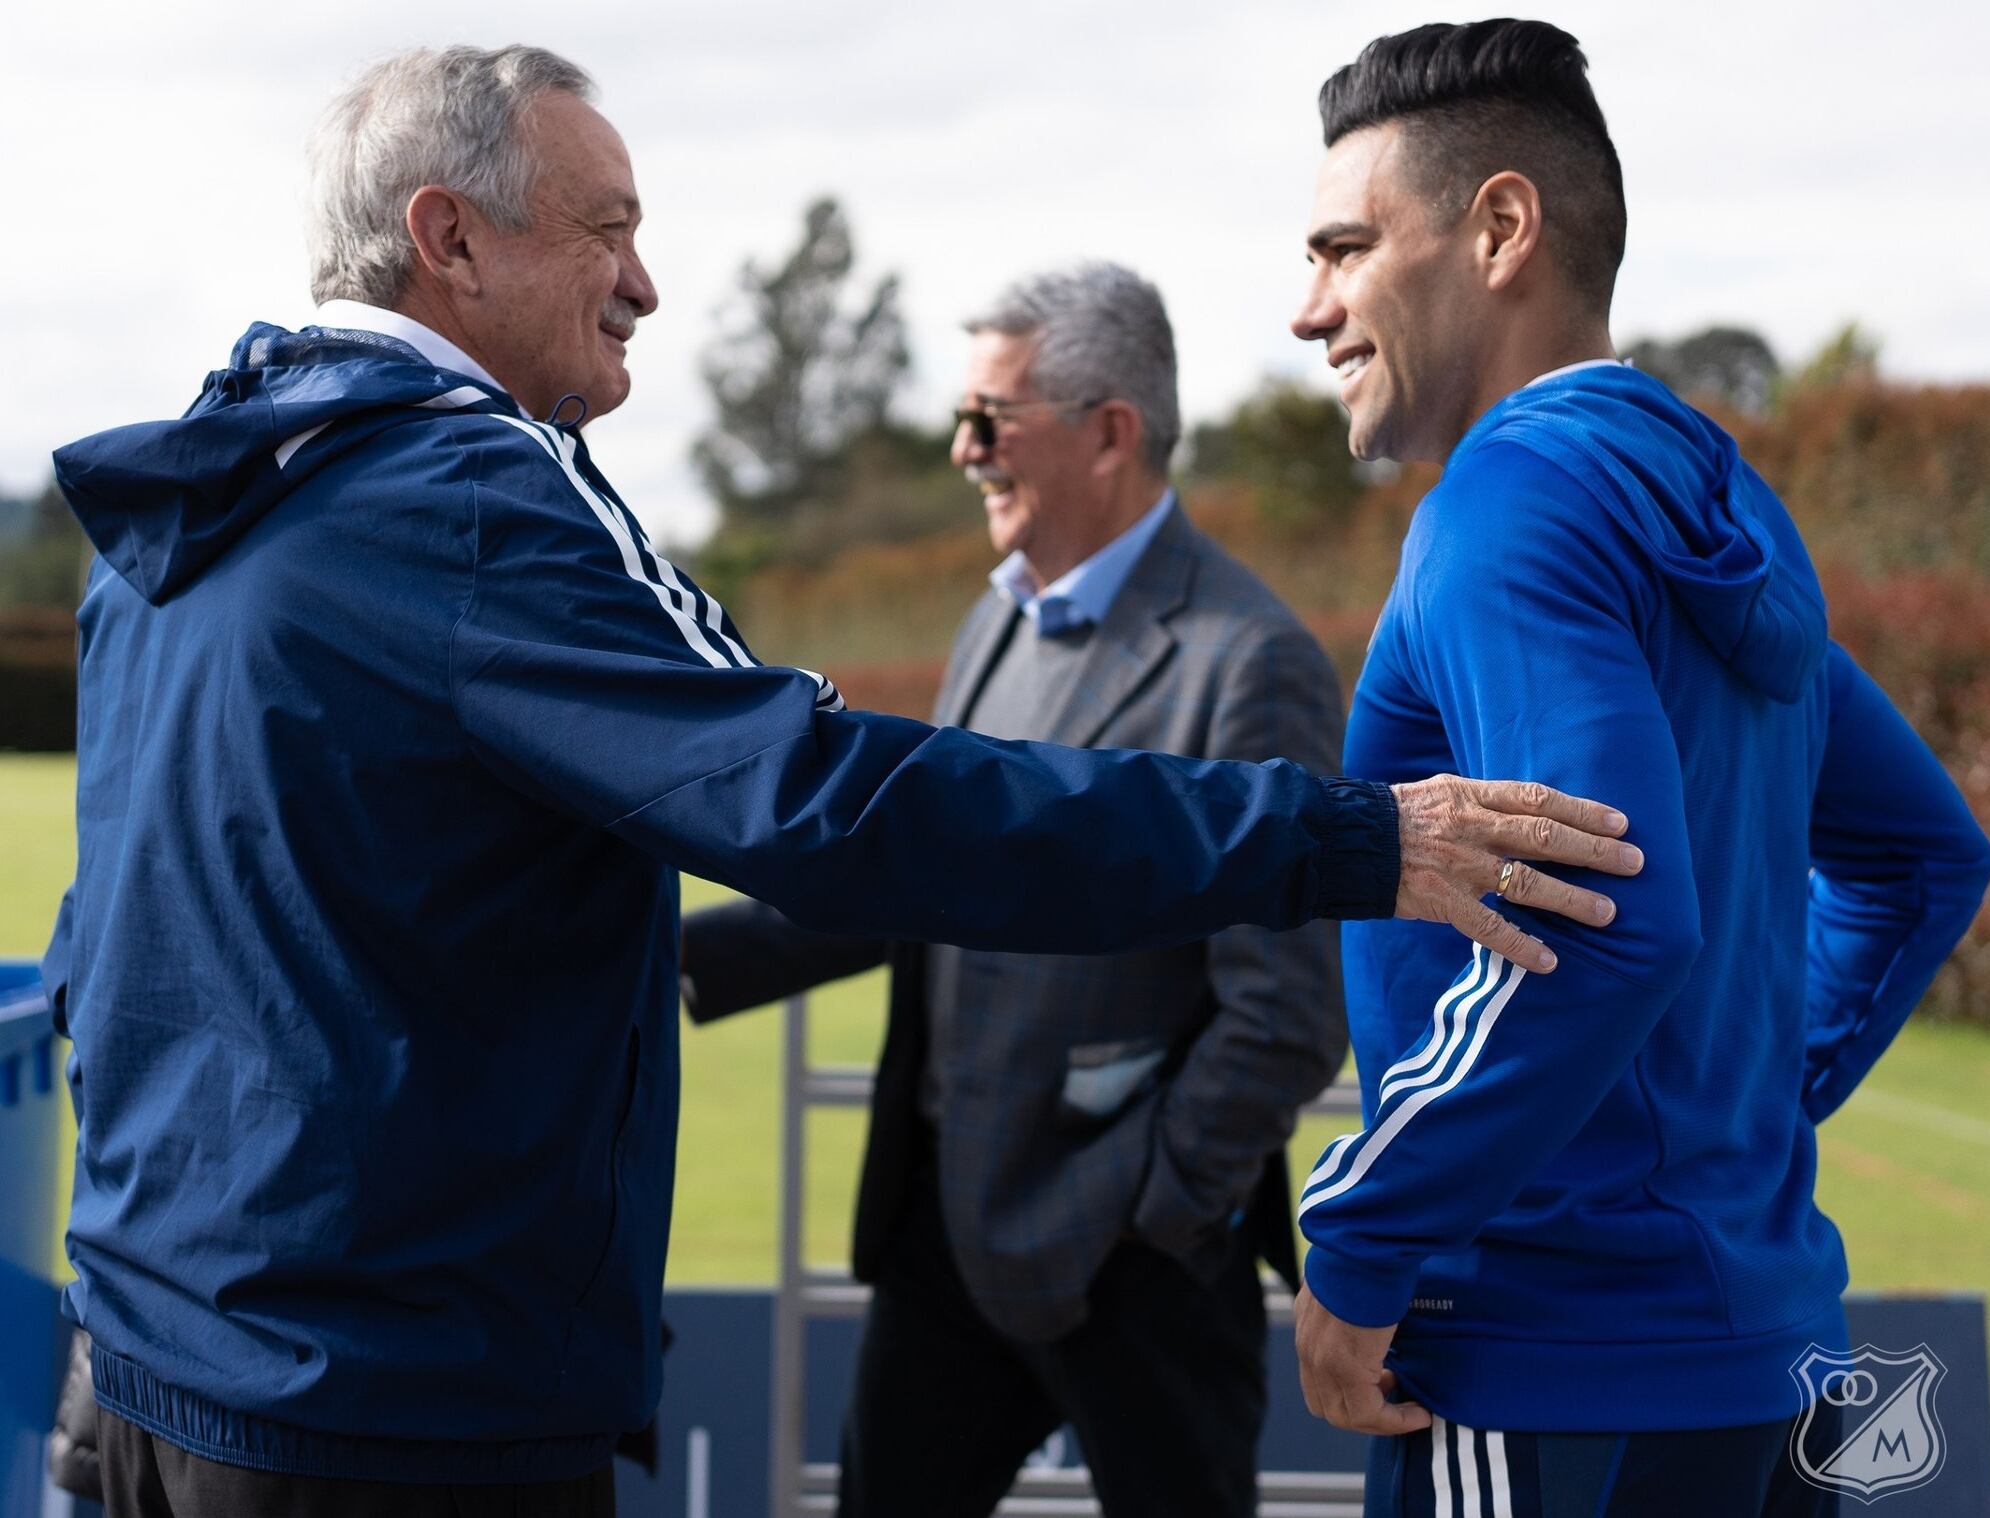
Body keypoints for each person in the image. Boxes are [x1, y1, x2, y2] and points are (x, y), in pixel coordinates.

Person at [46, 44, 1640, 1518]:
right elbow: (821, 798)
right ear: (448, 239)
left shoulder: (199, 494)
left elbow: (123, 926)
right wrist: (1349, 837)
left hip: (145, 1371)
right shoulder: (477, 494)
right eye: (607, 230)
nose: (646, 284)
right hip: (384, 1414)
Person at [1283, 22, 1990, 1518]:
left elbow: (1609, 921)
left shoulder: (1499, 510)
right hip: (1763, 1352)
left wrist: (1360, 1236)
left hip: (1542, 1353)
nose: (1309, 310)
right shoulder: (1724, 496)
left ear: (1498, 229)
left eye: (1343, 248)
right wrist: (1745, 1107)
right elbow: (1927, 856)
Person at [684, 262, 1346, 1517]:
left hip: (1133, 1261)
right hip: (948, 1233)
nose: (961, 448)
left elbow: (1290, 1012)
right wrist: (686, 957)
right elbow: (932, 870)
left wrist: (1148, 1205)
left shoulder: (1251, 662)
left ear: (1110, 433)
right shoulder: (996, 618)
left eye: (991, 419)